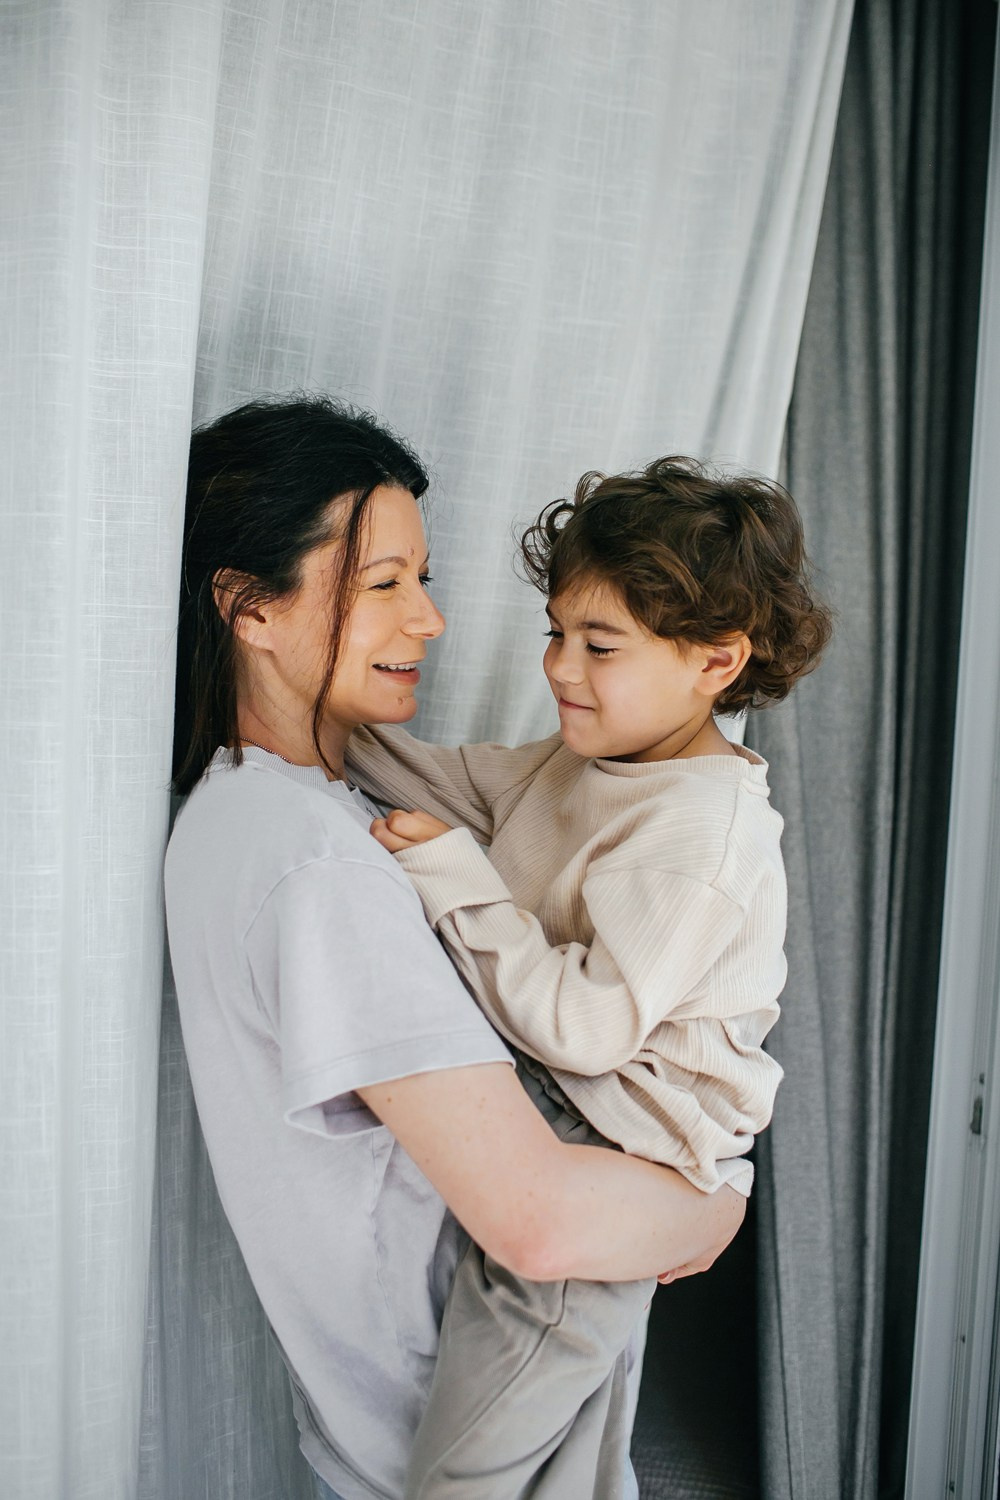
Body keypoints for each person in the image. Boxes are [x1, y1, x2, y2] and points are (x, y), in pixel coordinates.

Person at [163, 396, 747, 1500]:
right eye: (383, 583)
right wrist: (717, 1203)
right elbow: (535, 1220)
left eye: (420, 579)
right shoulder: (311, 862)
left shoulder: (267, 814)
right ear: (249, 608)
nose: (427, 619)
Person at [346, 456, 833, 1499]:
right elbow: (446, 781)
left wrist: (448, 876)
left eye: (599, 645)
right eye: (556, 634)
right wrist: (315, 714)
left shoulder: (697, 832)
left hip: (616, 1148)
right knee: (573, 1471)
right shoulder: (592, 757)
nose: (561, 668)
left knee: (461, 1475)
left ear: (715, 662)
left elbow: (586, 1027)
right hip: (575, 1121)